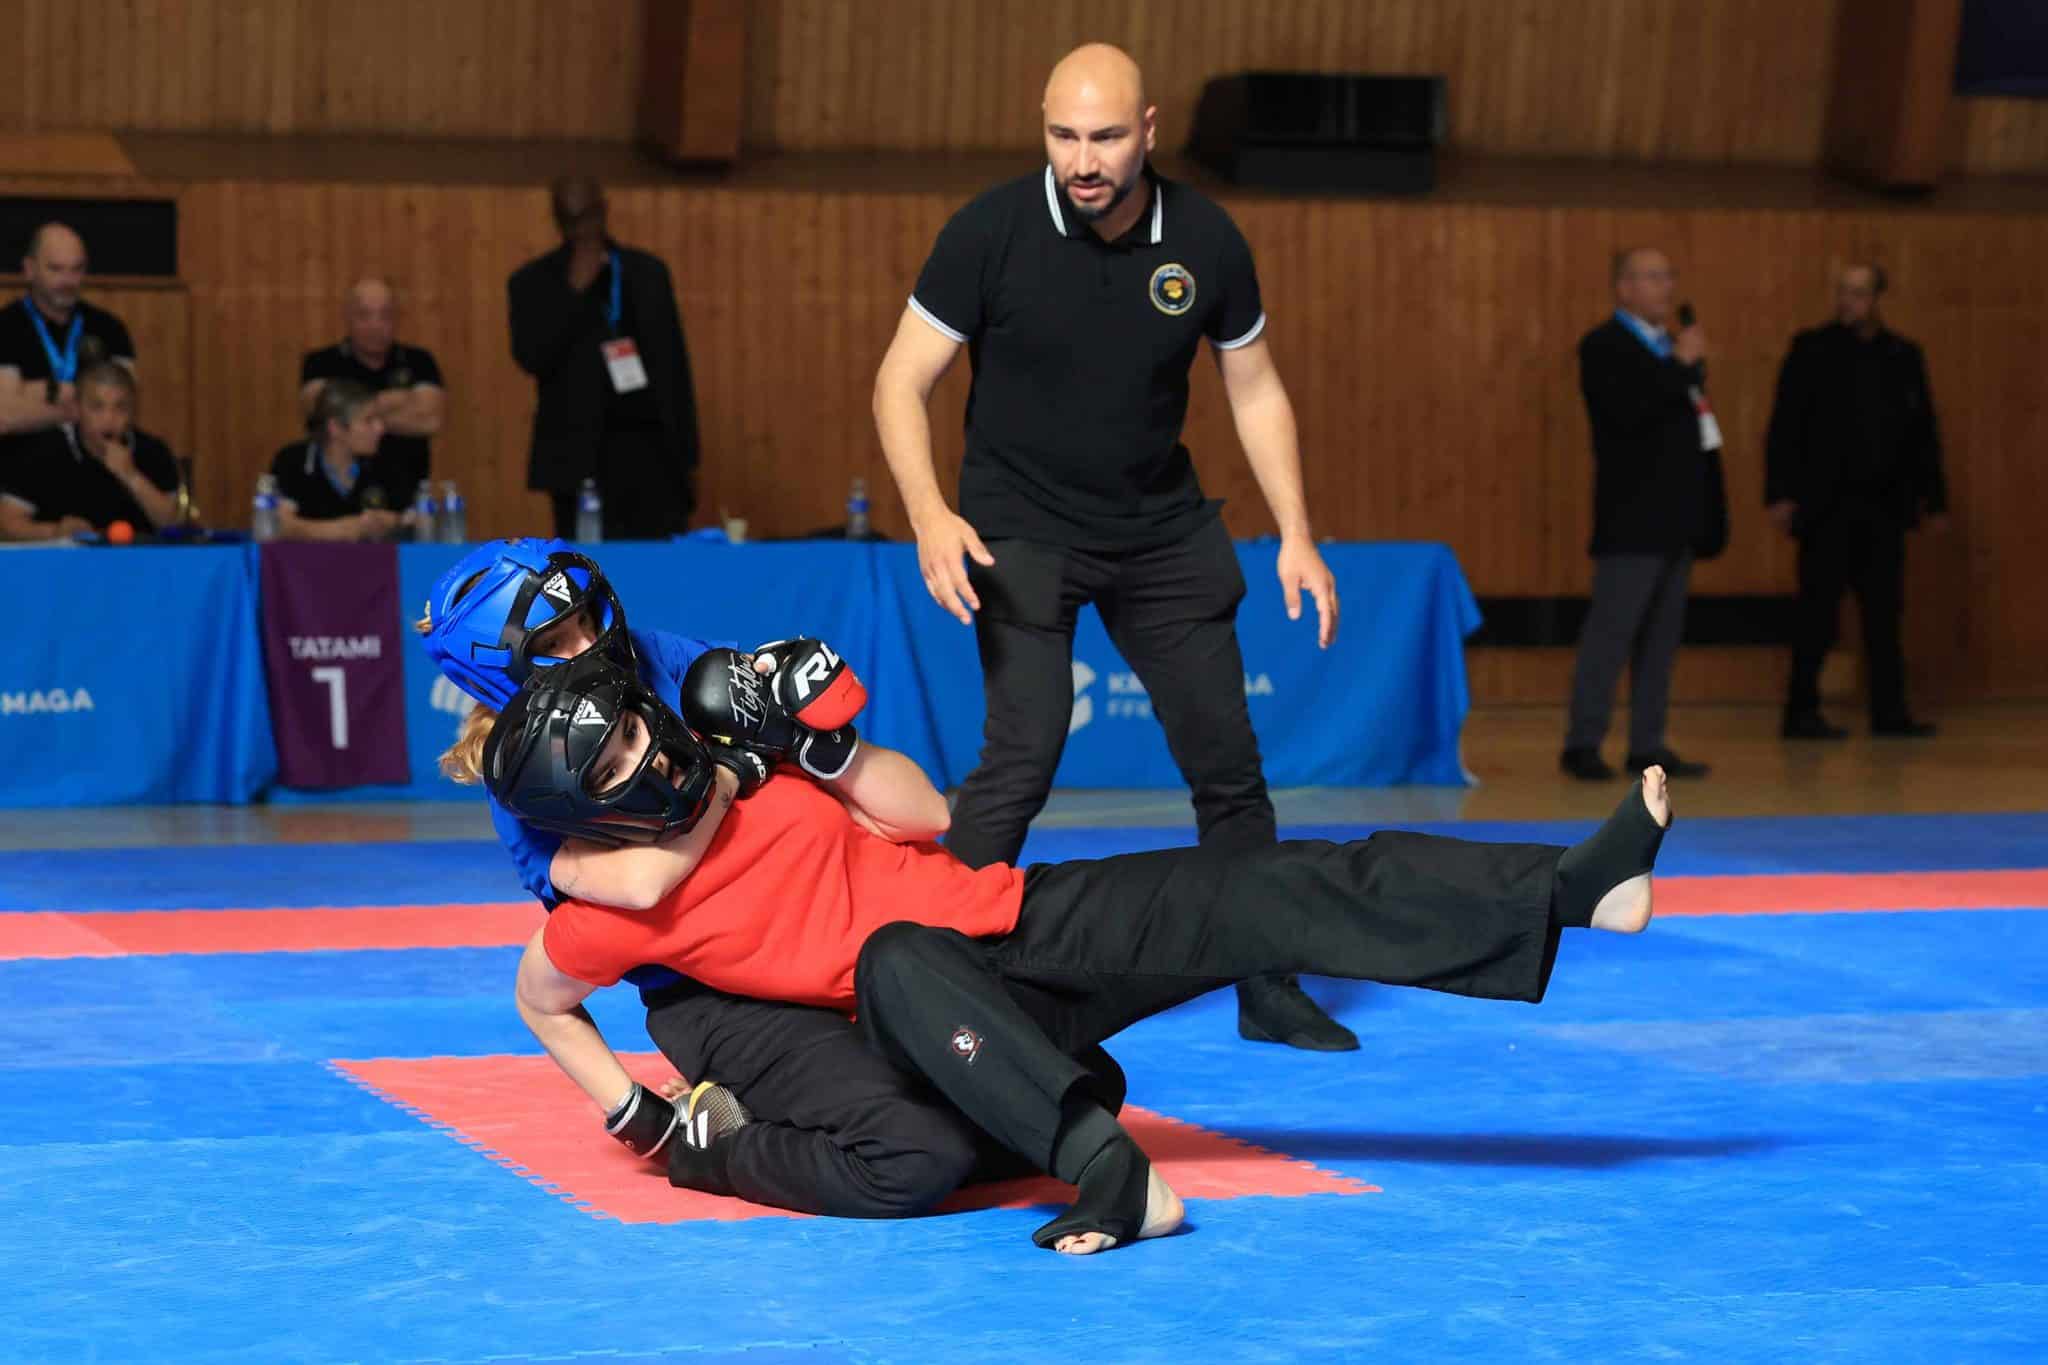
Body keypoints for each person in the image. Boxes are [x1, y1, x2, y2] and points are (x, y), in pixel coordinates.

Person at [484, 647, 1670, 1256]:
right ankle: (1101, 1169)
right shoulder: (608, 904)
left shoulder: (737, 757)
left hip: (1018, 918)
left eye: (633, 728)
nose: (644, 755)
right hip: (926, 1011)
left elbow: (924, 813)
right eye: (611, 763)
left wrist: (816, 748)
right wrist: (635, 1116)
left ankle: (1567, 891)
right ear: (584, 812)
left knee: (1258, 882)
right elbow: (543, 1001)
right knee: (895, 953)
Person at [870, 43, 1351, 1051]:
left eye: (1103, 138)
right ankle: (922, 972)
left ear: (1148, 131)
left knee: (1227, 763)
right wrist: (928, 513)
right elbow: (900, 380)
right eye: (1063, 137)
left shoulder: (1206, 240)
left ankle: (1264, 979)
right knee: (1023, 754)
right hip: (1020, 526)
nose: (1082, 161)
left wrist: (1297, 534)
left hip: (1159, 529)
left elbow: (1254, 387)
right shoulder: (989, 231)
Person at [417, 541, 1106, 1218]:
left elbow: (763, 722)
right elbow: (644, 885)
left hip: (811, 929)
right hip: (712, 992)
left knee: (1087, 1086)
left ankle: (832, 1107)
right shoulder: (527, 780)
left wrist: (791, 715)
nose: (590, 645)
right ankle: (721, 1145)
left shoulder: (654, 654)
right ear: (500, 672)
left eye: (587, 620)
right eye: (555, 642)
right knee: (926, 1150)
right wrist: (639, 1119)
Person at [1766, 264, 1946, 740]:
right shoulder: (1812, 350)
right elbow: (1785, 425)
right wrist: (1780, 493)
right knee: (1817, 612)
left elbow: (1923, 432)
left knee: (1884, 615)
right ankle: (1800, 711)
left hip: (1884, 505)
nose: (1849, 301)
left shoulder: (1901, 355)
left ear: (1878, 299)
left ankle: (1890, 713)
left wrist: (1934, 498)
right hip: (1825, 505)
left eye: (1859, 293)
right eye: (1843, 292)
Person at [1561, 248, 1716, 783]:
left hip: (1677, 516)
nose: (1664, 287)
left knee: (1660, 642)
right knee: (1611, 636)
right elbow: (1627, 413)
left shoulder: (1672, 345)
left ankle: (1648, 744)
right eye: (1651, 277)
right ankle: (1583, 741)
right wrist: (1679, 367)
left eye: (1667, 276)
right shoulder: (1604, 346)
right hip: (1631, 517)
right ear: (1623, 287)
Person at [508, 176, 700, 540]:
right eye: (570, 218)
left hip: (652, 457)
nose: (580, 228)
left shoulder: (646, 274)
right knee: (584, 569)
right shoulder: (533, 282)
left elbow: (675, 370)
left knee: (658, 564)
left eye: (587, 216)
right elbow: (531, 356)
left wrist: (688, 458)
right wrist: (574, 292)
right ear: (556, 218)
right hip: (576, 461)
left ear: (604, 210)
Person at [300, 278, 446, 512]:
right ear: (348, 318)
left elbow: (430, 421)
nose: (375, 325)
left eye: (385, 316)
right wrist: (398, 401)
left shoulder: (418, 361)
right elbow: (318, 411)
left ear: (397, 319)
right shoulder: (322, 363)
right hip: (332, 494)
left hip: (405, 490)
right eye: (364, 316)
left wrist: (353, 413)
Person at [0, 361, 178, 539]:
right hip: (64, 555)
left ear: (132, 412)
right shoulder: (43, 451)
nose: (109, 419)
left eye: (120, 407)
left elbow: (174, 523)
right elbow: (7, 524)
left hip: (138, 555)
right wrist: (55, 531)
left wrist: (131, 476)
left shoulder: (153, 452)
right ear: (77, 408)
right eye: (97, 407)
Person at [0, 223, 135, 443]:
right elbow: (4, 416)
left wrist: (33, 393)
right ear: (29, 269)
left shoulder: (110, 329)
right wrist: (84, 404)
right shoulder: (5, 327)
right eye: (56, 269)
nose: (68, 281)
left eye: (76, 269)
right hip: (22, 459)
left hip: (94, 459)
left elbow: (121, 410)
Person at [267, 380, 405, 542]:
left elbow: (412, 519)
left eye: (379, 420)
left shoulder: (388, 462)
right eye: (368, 421)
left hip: (373, 558)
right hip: (307, 558)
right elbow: (276, 525)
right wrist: (337, 530)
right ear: (335, 428)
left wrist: (394, 522)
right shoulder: (292, 461)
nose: (380, 428)